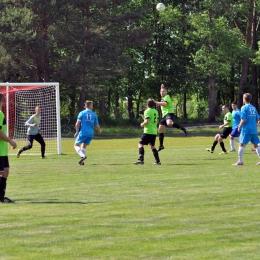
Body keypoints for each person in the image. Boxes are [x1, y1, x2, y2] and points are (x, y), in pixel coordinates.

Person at [155, 84, 188, 152]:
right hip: (164, 115)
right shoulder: (162, 98)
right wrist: (162, 87)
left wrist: (155, 102)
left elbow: (164, 104)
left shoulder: (167, 96)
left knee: (169, 123)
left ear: (166, 92)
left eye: (163, 91)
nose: (162, 92)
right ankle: (161, 145)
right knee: (160, 131)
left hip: (169, 113)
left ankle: (184, 129)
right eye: (161, 91)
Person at [233, 93, 260, 166]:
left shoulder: (244, 108)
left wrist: (239, 126)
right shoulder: (253, 107)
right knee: (256, 145)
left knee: (241, 144)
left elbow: (243, 119)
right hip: (254, 129)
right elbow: (258, 119)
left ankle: (240, 162)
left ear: (244, 99)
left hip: (246, 130)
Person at [0, 94, 17, 203]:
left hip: (3, 150)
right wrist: (10, 141)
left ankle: (1, 197)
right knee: (1, 172)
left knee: (5, 172)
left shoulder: (1, 113)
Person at [134, 99, 161, 165]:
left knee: (140, 144)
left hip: (148, 131)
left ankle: (141, 159)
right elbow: (157, 121)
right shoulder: (156, 111)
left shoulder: (147, 111)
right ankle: (158, 161)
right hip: (154, 131)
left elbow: (147, 121)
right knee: (152, 146)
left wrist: (142, 124)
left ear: (147, 104)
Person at [74, 100, 102, 165]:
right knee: (83, 146)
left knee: (76, 145)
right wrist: (99, 130)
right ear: (90, 106)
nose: (92, 106)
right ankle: (82, 162)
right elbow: (97, 125)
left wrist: (76, 131)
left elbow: (77, 123)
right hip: (90, 133)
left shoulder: (82, 113)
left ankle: (83, 156)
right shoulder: (94, 115)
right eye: (92, 105)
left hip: (83, 132)